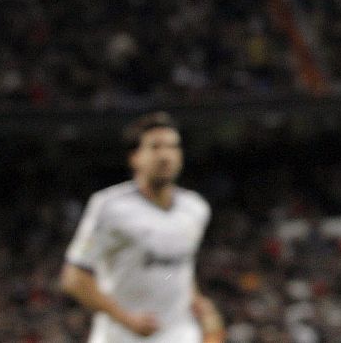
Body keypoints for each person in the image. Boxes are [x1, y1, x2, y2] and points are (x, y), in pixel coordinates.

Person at [60, 112, 222, 343]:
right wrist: (126, 319)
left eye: (172, 147)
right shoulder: (110, 207)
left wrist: (199, 303)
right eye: (155, 147)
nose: (165, 155)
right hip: (121, 337)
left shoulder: (196, 208)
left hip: (181, 335)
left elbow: (181, 265)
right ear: (135, 157)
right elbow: (74, 277)